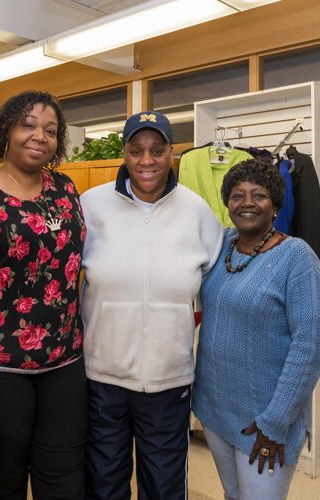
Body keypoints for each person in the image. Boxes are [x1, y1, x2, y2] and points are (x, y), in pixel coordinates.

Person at [0, 90, 86, 500]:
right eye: (28, 124)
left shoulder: (64, 188)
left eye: (50, 130)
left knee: (64, 476)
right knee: (2, 478)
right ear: (6, 129)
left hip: (65, 361)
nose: (39, 136)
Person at [80, 111, 224, 499]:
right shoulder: (90, 206)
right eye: (137, 150)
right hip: (103, 379)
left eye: (157, 150)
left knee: (164, 487)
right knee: (104, 486)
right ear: (124, 154)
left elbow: (218, 286)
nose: (147, 160)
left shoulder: (196, 212)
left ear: (171, 154)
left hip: (168, 381)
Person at [192, 158, 320, 500]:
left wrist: (276, 422)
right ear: (227, 204)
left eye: (259, 195)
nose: (247, 203)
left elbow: (310, 349)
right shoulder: (220, 244)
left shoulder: (297, 258)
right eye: (237, 195)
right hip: (215, 408)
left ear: (276, 203)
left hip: (265, 419)